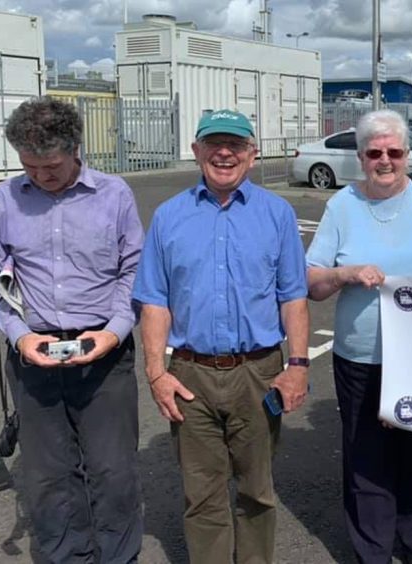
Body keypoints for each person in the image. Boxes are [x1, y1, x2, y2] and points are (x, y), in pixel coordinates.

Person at [132, 109, 310, 564]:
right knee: (203, 496)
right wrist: (156, 374)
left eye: (235, 144)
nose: (224, 152)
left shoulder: (278, 214)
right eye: (214, 144)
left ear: (252, 154)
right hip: (190, 373)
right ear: (196, 152)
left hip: (258, 373)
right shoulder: (169, 217)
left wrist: (298, 367)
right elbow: (155, 302)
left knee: (256, 490)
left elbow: (293, 296)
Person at [0, 97, 144, 563]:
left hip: (105, 352)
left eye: (50, 166)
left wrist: (112, 332)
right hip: (35, 354)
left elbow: (135, 272)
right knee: (48, 477)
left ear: (75, 148)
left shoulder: (114, 195)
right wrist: (21, 336)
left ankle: (118, 557)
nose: (40, 176)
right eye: (29, 166)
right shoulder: (5, 199)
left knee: (114, 472)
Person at [305, 109, 412, 564]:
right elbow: (313, 283)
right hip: (360, 355)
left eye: (395, 152)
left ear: (408, 154)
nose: (385, 161)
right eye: (375, 153)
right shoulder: (342, 206)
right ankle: (372, 548)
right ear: (361, 156)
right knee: (367, 455)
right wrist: (345, 273)